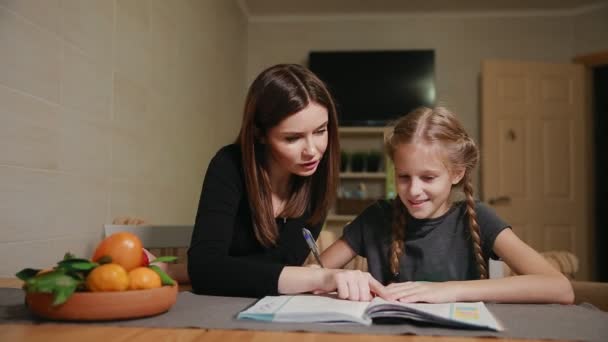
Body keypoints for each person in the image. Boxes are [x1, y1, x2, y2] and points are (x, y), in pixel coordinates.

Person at [320, 106, 574, 304]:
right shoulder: (376, 218)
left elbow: (559, 288)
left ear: (456, 174)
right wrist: (334, 277)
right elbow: (310, 274)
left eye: (428, 177)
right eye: (403, 176)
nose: (414, 190)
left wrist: (448, 290)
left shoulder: (478, 218)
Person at [187, 64, 384, 299]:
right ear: (260, 134)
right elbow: (205, 271)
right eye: (292, 138)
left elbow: (277, 265)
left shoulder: (317, 177)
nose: (312, 151)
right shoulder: (229, 164)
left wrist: (221, 269)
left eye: (321, 131)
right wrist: (322, 277)